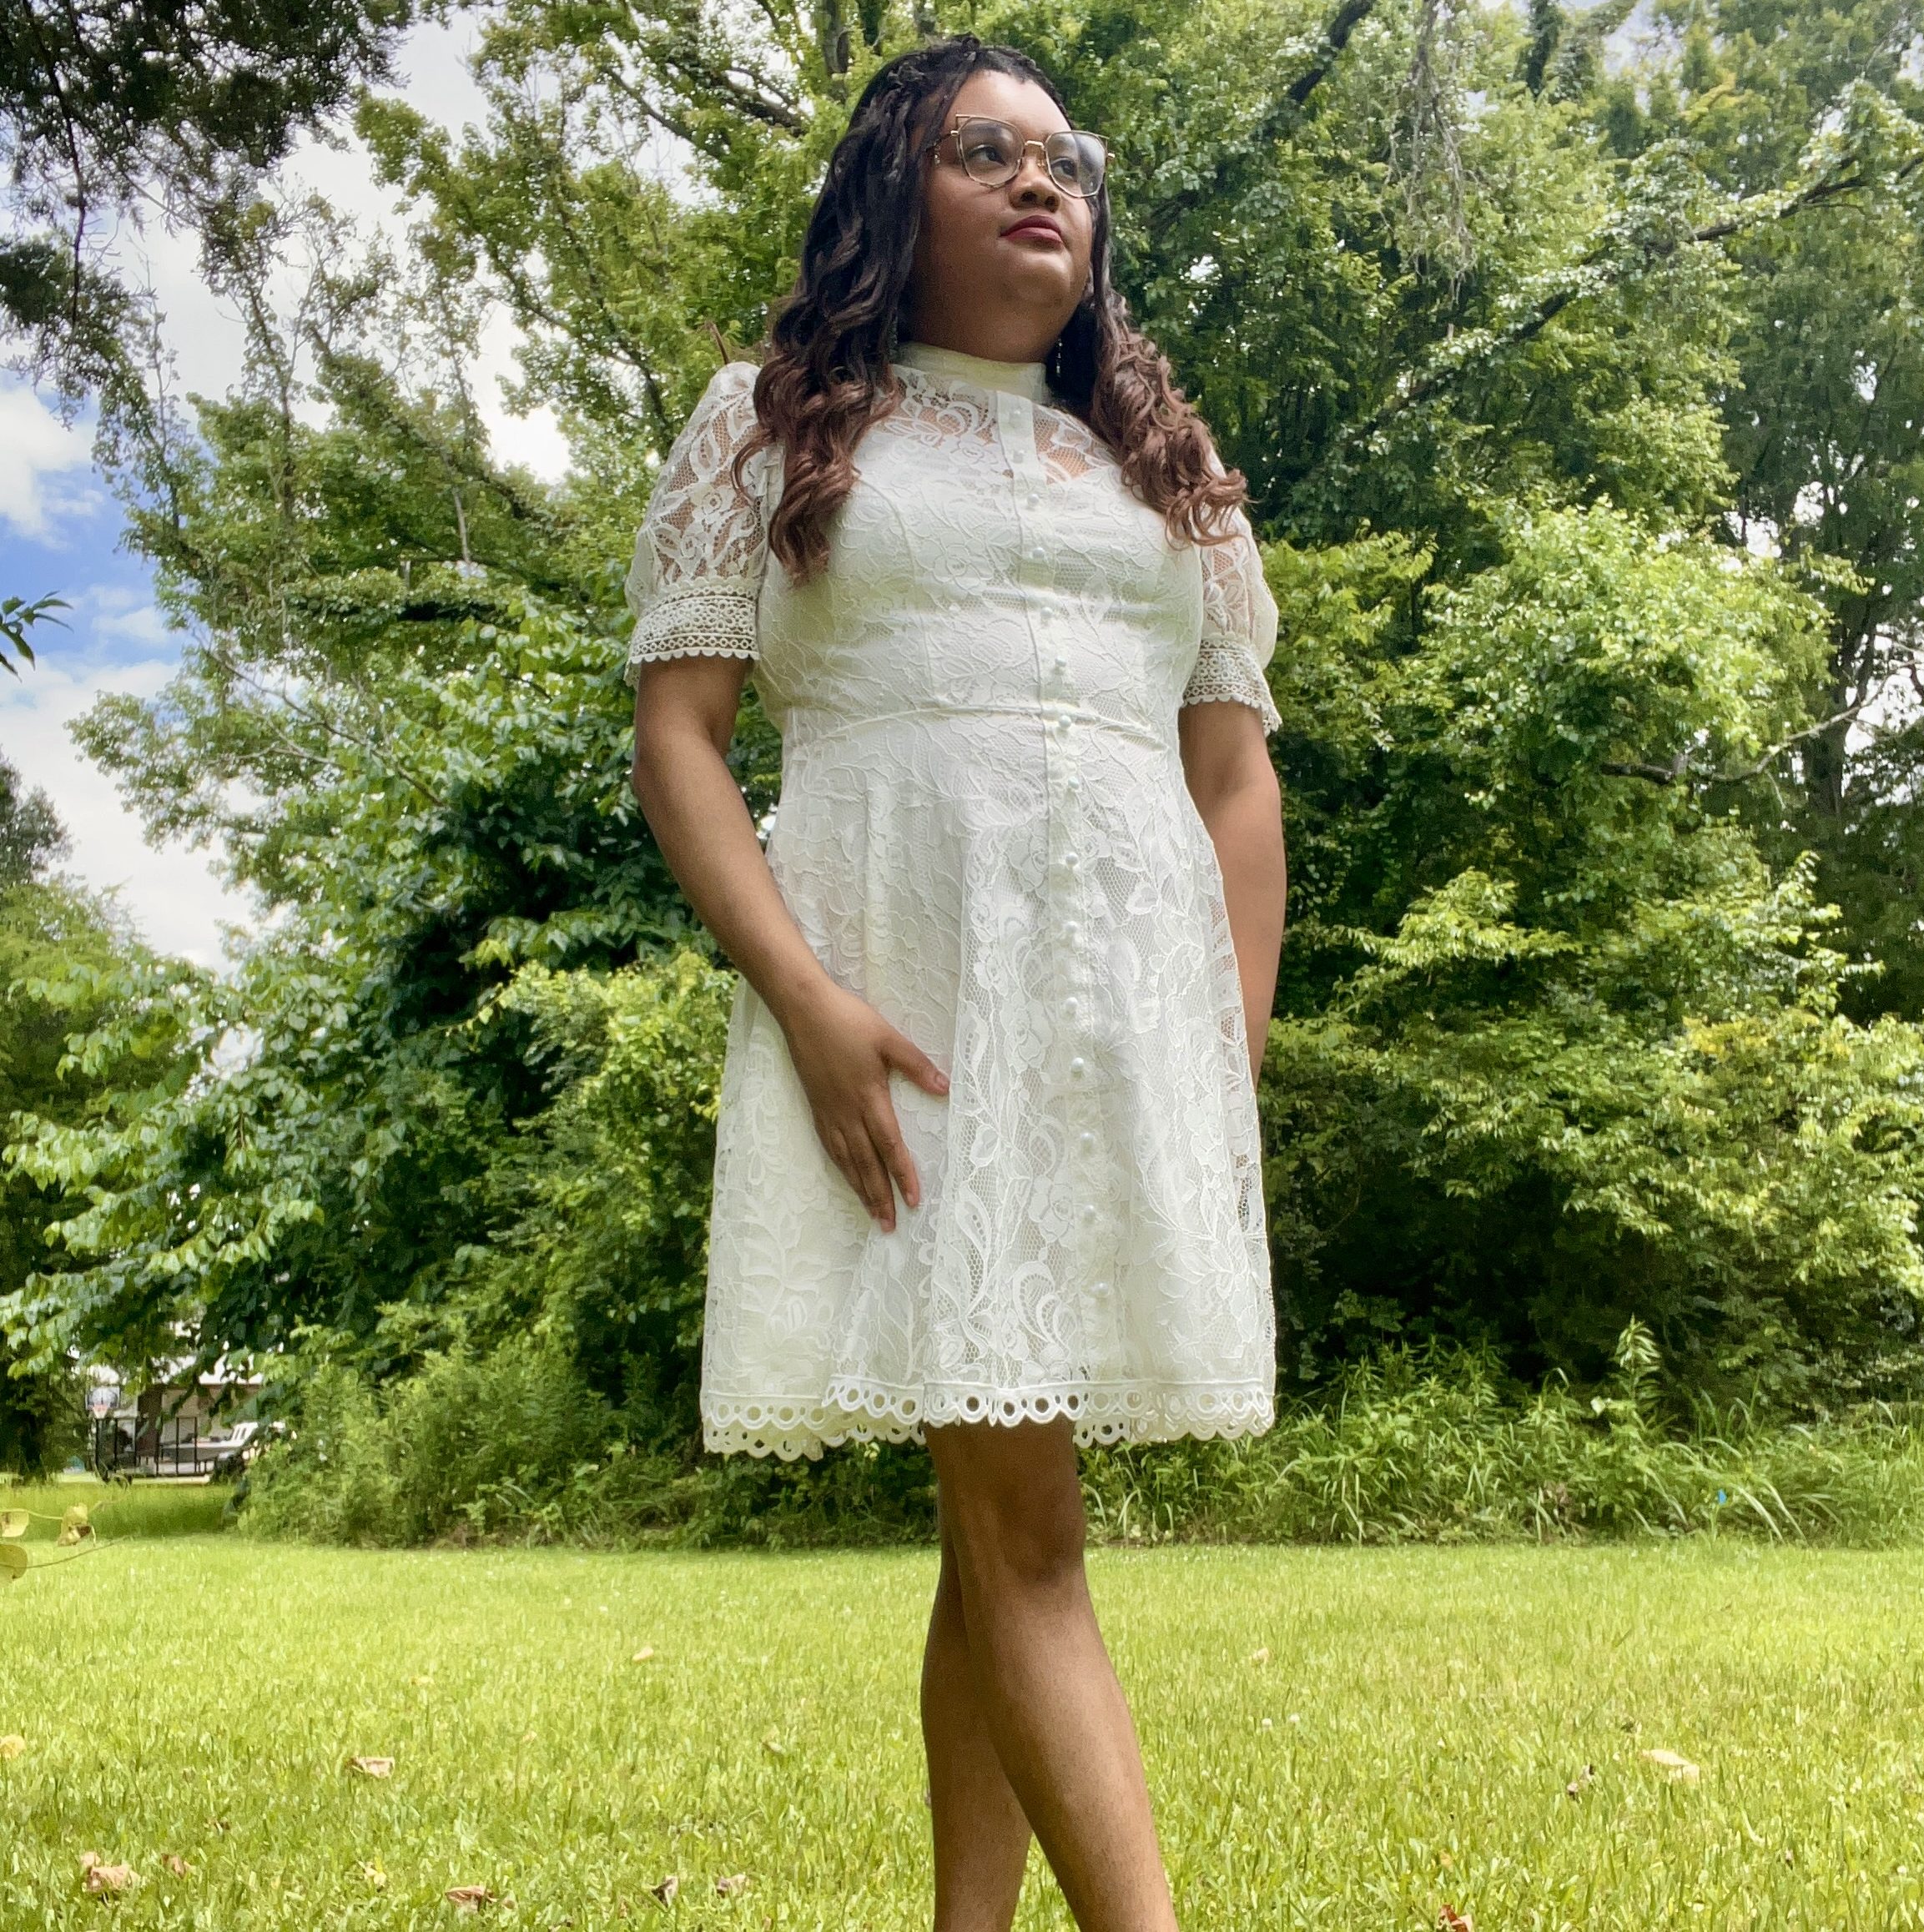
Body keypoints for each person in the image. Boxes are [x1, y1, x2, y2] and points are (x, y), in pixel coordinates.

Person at [625, 32, 1287, 1932]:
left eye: (1068, 157)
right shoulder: (770, 419)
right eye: (987, 150)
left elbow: (1234, 776)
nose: (1043, 181)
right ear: (888, 193)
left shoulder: (1164, 464)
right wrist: (807, 1000)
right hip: (901, 1009)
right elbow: (683, 736)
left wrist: (1218, 1058)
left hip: (1122, 1029)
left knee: (997, 1522)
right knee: (1031, 1524)